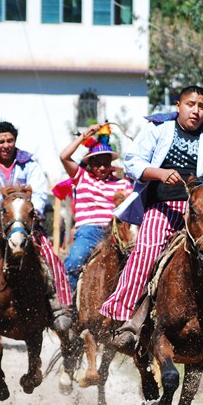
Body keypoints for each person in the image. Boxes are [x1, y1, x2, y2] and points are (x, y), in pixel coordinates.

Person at [101, 85, 203, 354]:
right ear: (178, 105)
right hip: (163, 206)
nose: (196, 110)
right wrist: (159, 173)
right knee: (145, 252)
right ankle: (125, 319)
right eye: (190, 104)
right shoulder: (158, 128)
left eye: (202, 106)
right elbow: (133, 161)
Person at [0, 121, 72, 335]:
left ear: (15, 141)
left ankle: (60, 306)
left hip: (25, 220)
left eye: (9, 140)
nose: (6, 145)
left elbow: (38, 192)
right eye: (1, 141)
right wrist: (2, 217)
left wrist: (30, 211)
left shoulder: (29, 164)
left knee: (50, 255)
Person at [58, 123, 133, 293]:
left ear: (110, 164)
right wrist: (85, 135)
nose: (101, 168)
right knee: (73, 262)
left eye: (105, 163)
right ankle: (66, 307)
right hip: (89, 231)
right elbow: (64, 156)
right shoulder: (82, 178)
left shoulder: (123, 184)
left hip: (116, 231)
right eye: (97, 163)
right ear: (90, 163)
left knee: (137, 261)